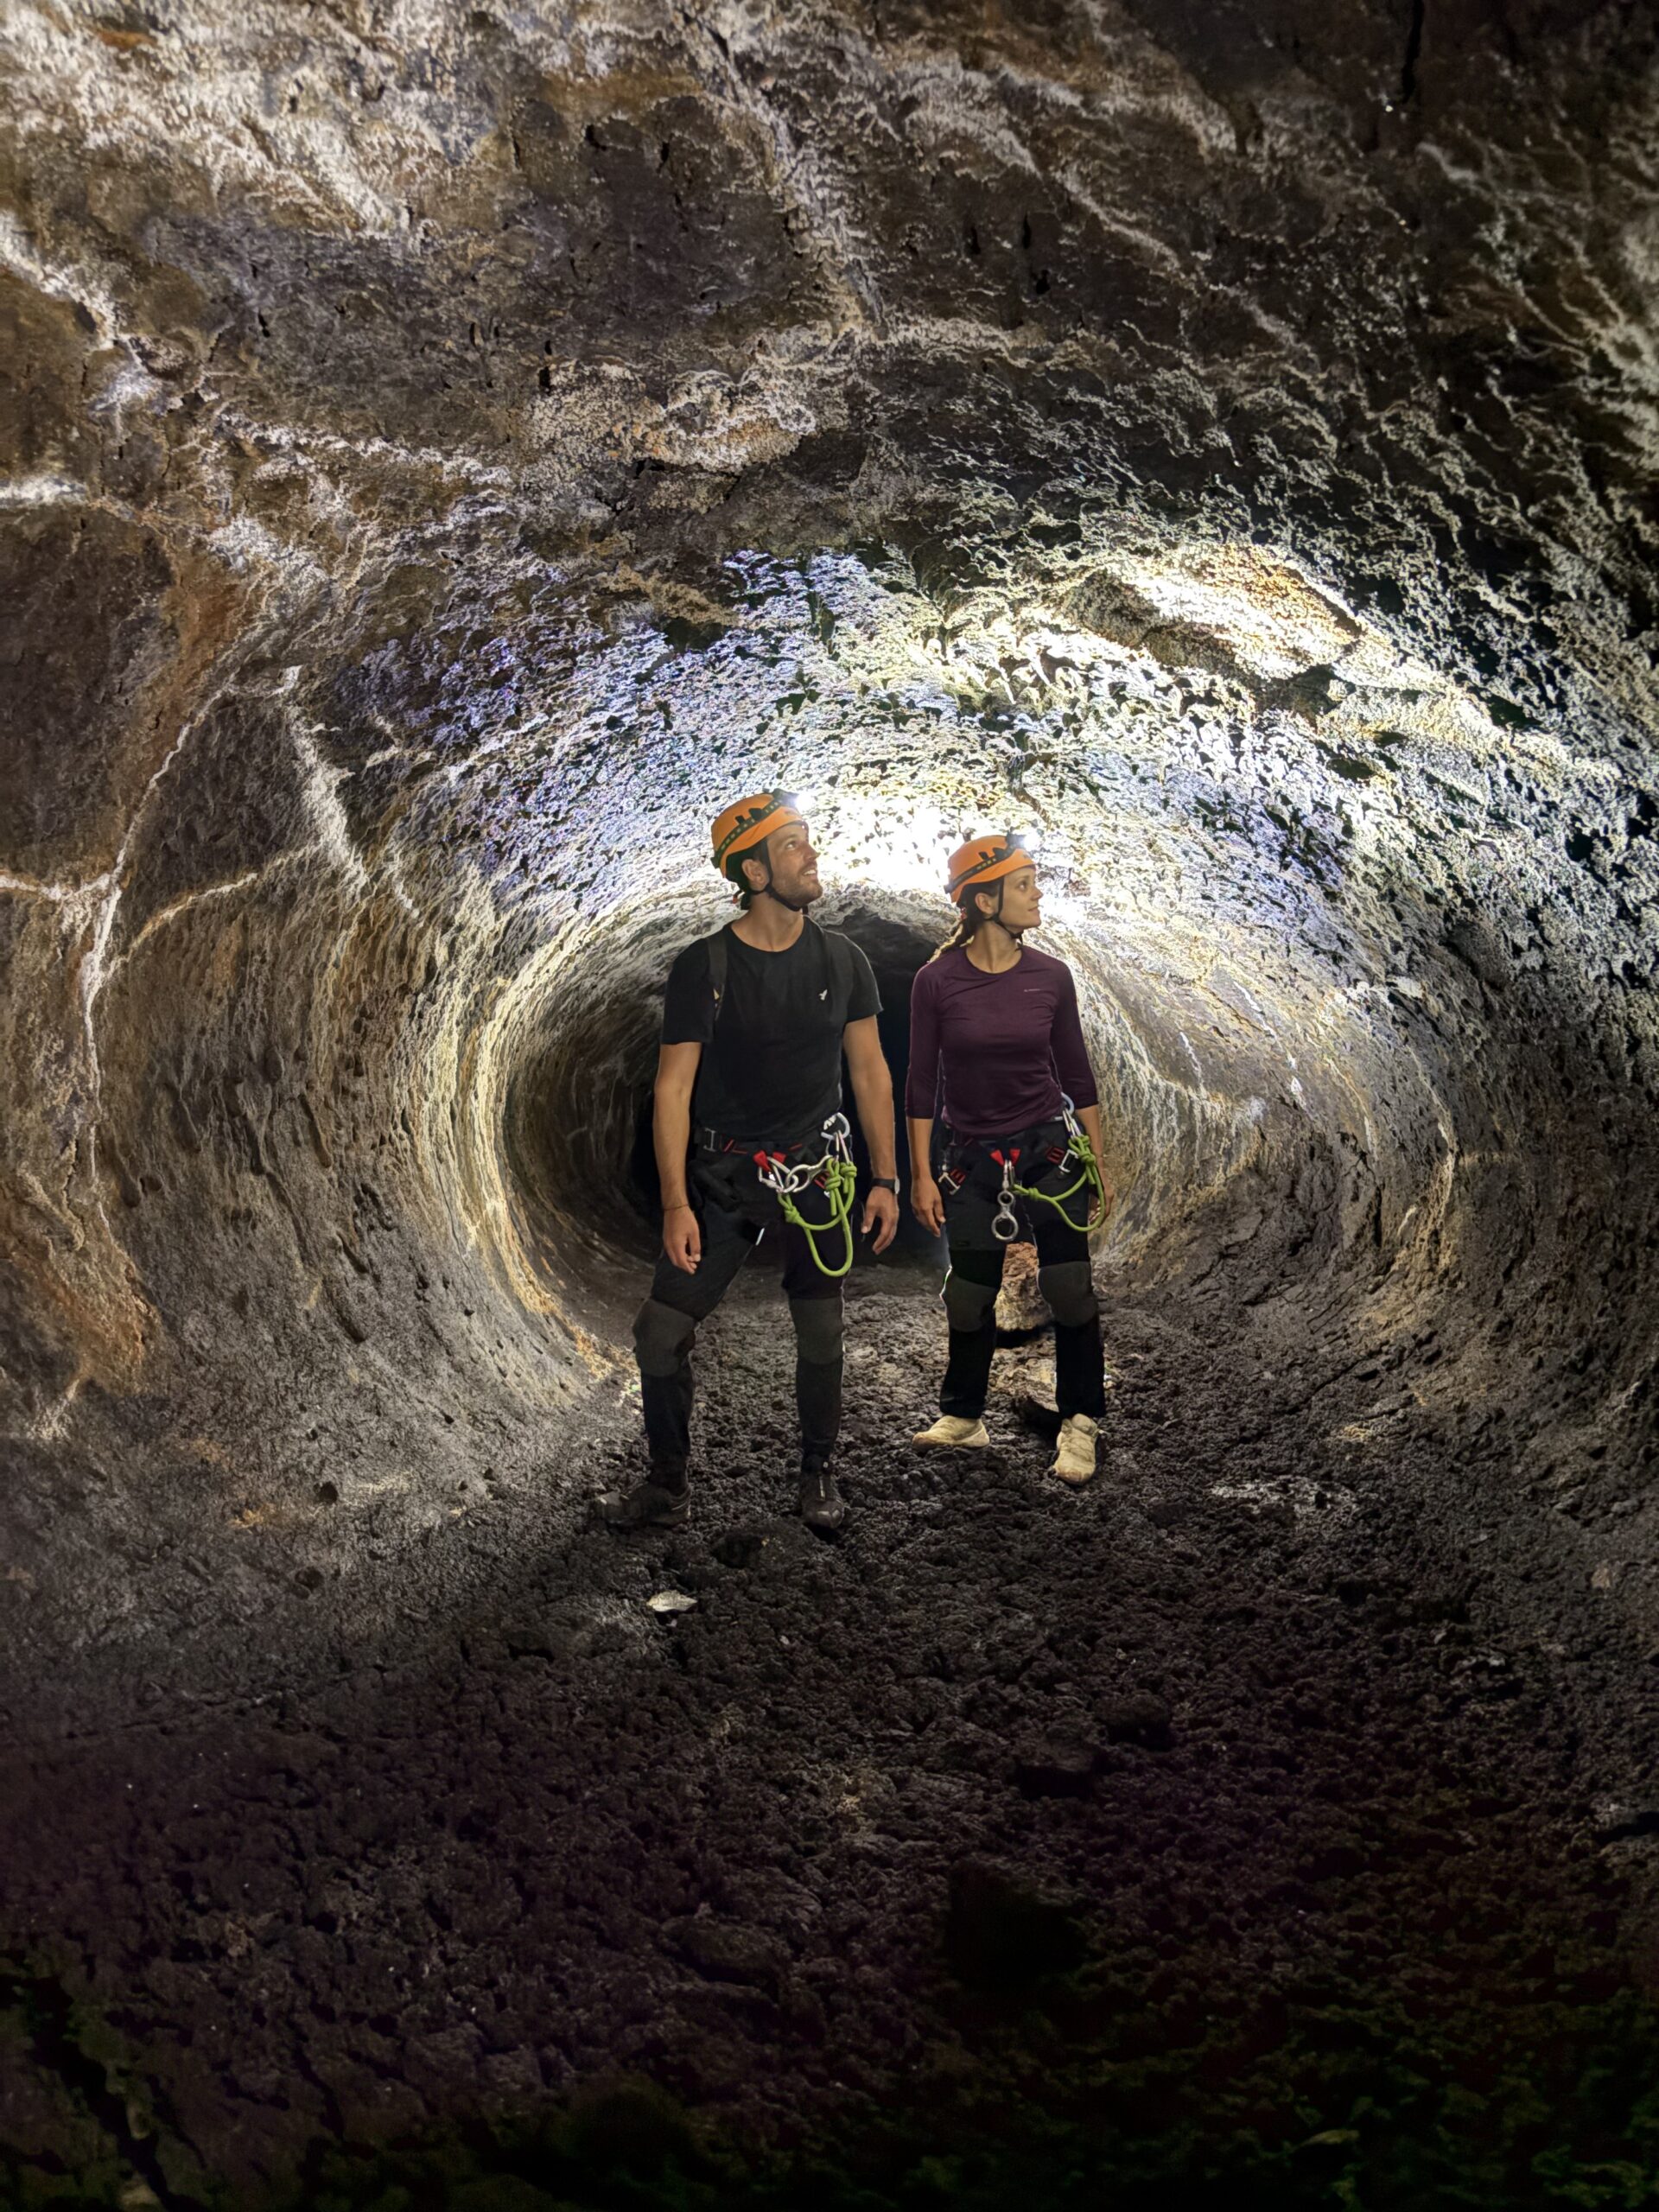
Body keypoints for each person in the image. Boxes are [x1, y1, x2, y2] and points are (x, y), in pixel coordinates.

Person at [602, 791, 900, 1535]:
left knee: (821, 1329)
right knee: (659, 1333)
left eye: (806, 840)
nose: (811, 854)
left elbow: (869, 1074)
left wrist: (886, 1178)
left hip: (816, 1177)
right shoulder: (705, 967)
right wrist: (675, 1203)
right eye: (793, 844)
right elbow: (671, 1090)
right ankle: (668, 1486)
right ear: (756, 872)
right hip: (725, 1180)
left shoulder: (844, 959)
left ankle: (818, 1472)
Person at [906, 831, 1115, 1484]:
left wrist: (1099, 1160)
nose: (1038, 894)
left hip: (1048, 1147)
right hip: (971, 1156)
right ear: (985, 899)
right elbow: (919, 1082)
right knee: (969, 1296)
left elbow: (1077, 1075)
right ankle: (964, 1417)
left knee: (1069, 1286)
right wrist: (920, 1173)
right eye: (1025, 884)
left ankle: (1081, 1423)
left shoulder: (1051, 976)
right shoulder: (936, 981)